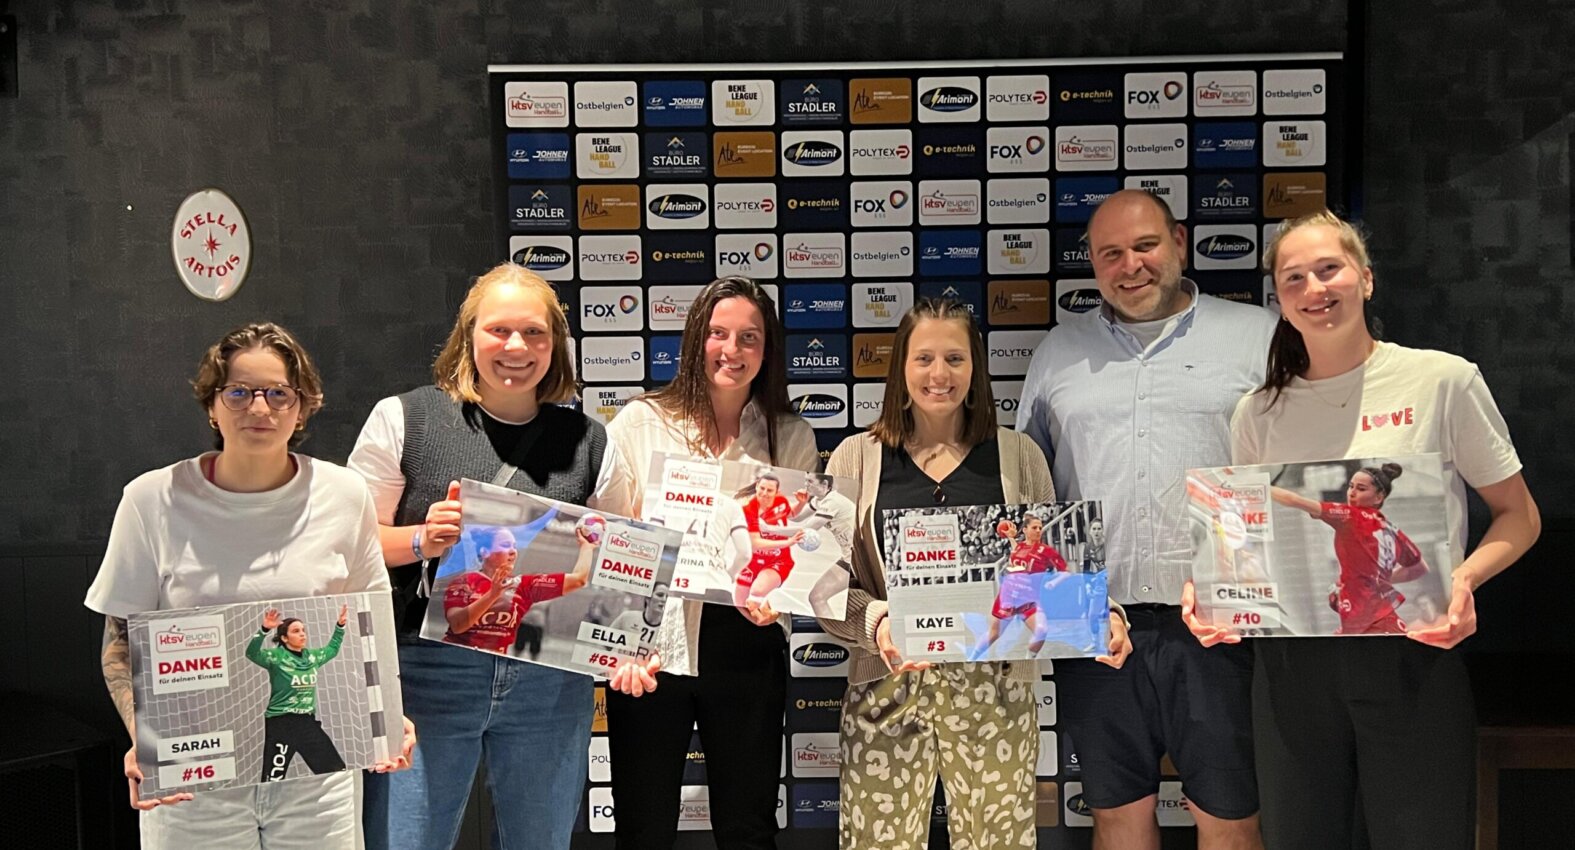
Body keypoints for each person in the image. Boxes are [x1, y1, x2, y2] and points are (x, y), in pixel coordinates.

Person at [1182, 210, 1540, 849]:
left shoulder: (1442, 380)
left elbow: (1520, 516)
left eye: (1329, 269)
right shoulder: (1258, 411)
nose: (1314, 289)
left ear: (1366, 280)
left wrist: (1458, 583)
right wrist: (1211, 593)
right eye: (1294, 278)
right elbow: (1241, 544)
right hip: (1292, 671)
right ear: (1280, 301)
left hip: (1414, 656)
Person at [84, 322, 413, 850]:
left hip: (317, 780)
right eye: (238, 391)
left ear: (302, 407)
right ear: (212, 407)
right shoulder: (150, 500)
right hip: (194, 779)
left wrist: (387, 715)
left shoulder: (344, 495)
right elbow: (119, 645)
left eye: (279, 393)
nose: (259, 408)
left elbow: (366, 628)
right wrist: (145, 740)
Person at [819, 297, 1132, 849]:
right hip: (885, 688)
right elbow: (826, 585)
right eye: (924, 359)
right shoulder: (854, 456)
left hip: (997, 695)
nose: (939, 375)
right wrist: (876, 623)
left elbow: (1053, 570)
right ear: (901, 368)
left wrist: (1099, 614)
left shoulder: (1018, 456)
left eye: (955, 359)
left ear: (976, 367)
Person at [1016, 189, 1276, 850]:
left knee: (1231, 817)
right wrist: (1063, 611)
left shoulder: (1257, 338)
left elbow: (1290, 475)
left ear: (1179, 243)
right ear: (1093, 264)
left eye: (1144, 246)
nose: (1129, 265)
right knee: (1116, 815)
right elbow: (1030, 496)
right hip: (1093, 620)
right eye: (1110, 254)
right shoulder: (1057, 352)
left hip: (1221, 625)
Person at [349, 263, 632, 850]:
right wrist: (422, 540)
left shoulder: (591, 441)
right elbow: (348, 546)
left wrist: (626, 628)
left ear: (555, 345)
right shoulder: (406, 418)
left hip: (549, 683)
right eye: (498, 330)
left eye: (534, 333)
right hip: (425, 673)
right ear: (468, 334)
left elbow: (618, 567)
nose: (516, 347)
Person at [602, 275, 817, 850]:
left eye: (750, 337)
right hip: (652, 650)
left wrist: (781, 598)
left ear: (767, 350)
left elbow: (792, 555)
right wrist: (620, 648)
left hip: (746, 644)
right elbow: (608, 542)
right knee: (642, 827)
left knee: (748, 828)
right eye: (719, 333)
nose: (733, 349)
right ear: (697, 339)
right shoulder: (640, 422)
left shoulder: (791, 436)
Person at [1267, 463, 1430, 634]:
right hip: (1375, 620)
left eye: (1361, 489)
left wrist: (1257, 485)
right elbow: (1419, 568)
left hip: (1373, 623)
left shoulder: (1350, 516)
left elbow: (1294, 500)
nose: (1352, 493)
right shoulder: (1392, 529)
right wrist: (1375, 582)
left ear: (1379, 497)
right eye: (1350, 486)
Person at [441, 523, 595, 651]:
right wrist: (492, 595)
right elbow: (457, 626)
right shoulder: (465, 581)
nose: (513, 551)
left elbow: (578, 580)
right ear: (485, 551)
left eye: (514, 546)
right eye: (505, 545)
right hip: (456, 657)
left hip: (494, 666)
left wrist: (587, 547)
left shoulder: (523, 585)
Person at [248, 604, 352, 781]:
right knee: (273, 780)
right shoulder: (276, 657)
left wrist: (340, 626)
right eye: (296, 631)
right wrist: (264, 629)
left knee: (335, 771)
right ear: (285, 638)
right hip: (281, 722)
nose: (302, 634)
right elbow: (251, 653)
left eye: (303, 630)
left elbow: (332, 649)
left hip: (306, 722)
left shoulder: (312, 657)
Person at [969, 512, 1069, 659]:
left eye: (1040, 528)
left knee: (1041, 630)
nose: (1038, 530)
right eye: (1034, 527)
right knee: (993, 634)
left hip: (1029, 599)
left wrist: (1054, 582)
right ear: (1025, 530)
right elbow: (1017, 551)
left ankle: (1030, 659)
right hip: (1008, 597)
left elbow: (1066, 572)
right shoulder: (1019, 547)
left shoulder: (1046, 551)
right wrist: (1010, 537)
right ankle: (971, 659)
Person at [607, 582, 668, 659]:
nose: (664, 599)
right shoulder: (627, 617)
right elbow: (604, 643)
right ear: (647, 598)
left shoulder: (667, 631)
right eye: (660, 595)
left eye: (667, 597)